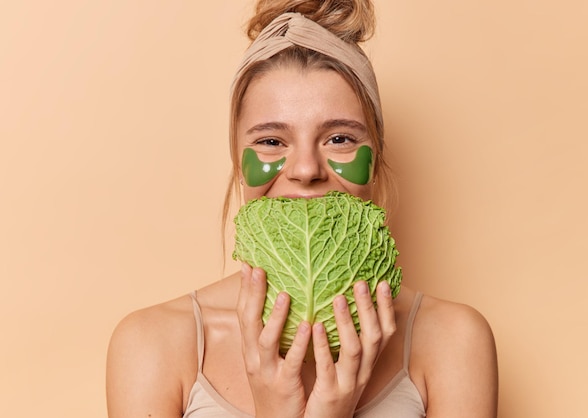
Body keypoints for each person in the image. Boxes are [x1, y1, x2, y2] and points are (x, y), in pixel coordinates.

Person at [106, 1, 499, 417]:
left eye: (340, 139)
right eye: (272, 141)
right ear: (238, 164)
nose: (307, 169)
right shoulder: (153, 346)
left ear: (377, 158)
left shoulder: (453, 342)